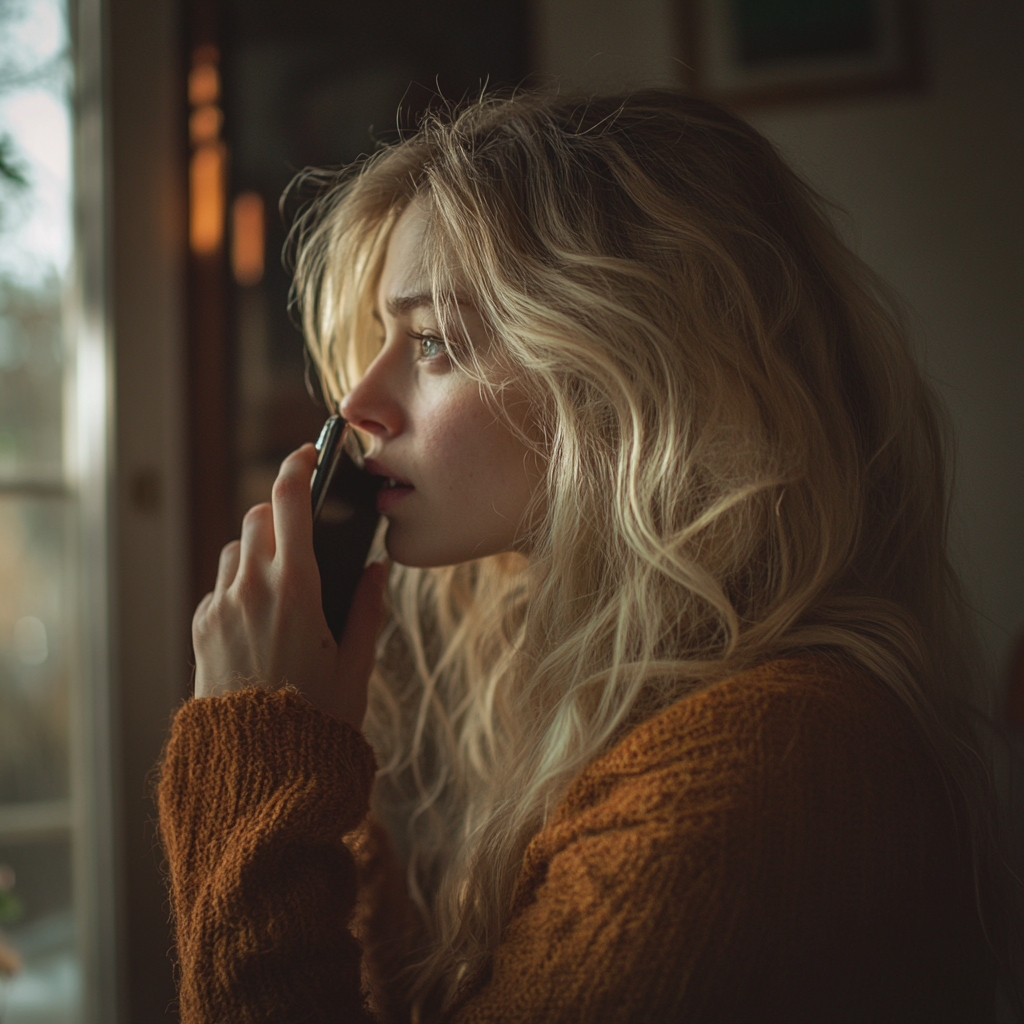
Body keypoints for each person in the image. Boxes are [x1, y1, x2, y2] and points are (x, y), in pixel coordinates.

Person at [156, 90, 1018, 1022]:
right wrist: (310, 812)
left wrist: (257, 776)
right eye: (383, 339)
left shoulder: (751, 779)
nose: (358, 402)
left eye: (435, 341)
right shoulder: (685, 721)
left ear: (634, 371)